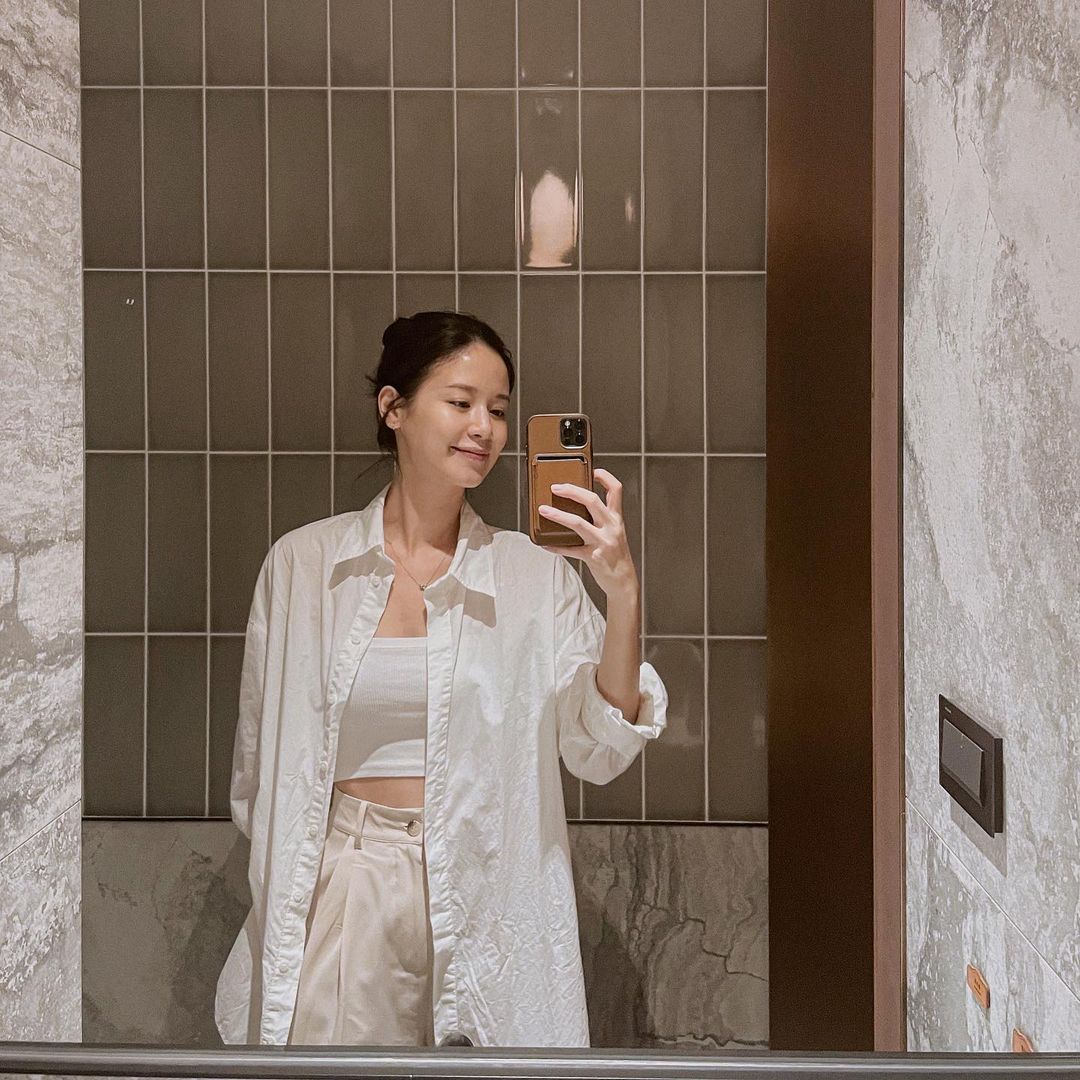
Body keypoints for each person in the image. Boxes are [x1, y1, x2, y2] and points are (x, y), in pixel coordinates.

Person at [214, 310, 669, 1048]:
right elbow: (259, 762)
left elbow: (599, 744)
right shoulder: (305, 565)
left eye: (499, 410)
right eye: (460, 402)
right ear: (393, 408)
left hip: (491, 880)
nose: (483, 428)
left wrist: (621, 591)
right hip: (348, 883)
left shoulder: (534, 573)